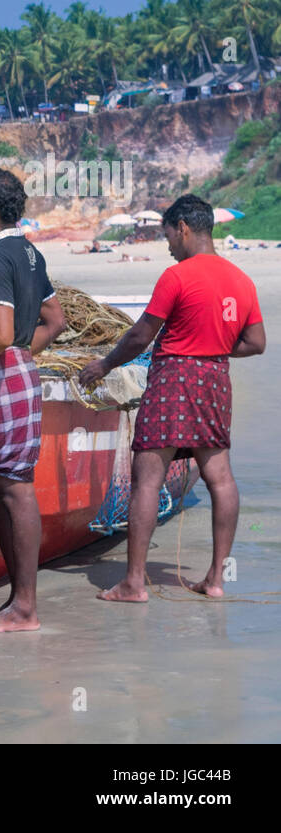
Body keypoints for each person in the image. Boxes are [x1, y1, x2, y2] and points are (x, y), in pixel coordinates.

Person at [80, 194, 265, 601]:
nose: (167, 245)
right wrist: (212, 346)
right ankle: (215, 579)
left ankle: (133, 583)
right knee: (221, 477)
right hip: (215, 379)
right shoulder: (241, 280)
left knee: (148, 477)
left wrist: (105, 365)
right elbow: (256, 343)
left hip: (173, 379)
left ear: (183, 228)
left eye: (167, 235)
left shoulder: (177, 276)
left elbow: (140, 334)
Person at [0, 169, 68, 633]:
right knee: (0, 485)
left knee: (12, 487)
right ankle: (18, 599)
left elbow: (0, 333)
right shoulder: (29, 252)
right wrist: (25, 355)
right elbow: (56, 320)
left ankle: (25, 606)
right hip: (20, 374)